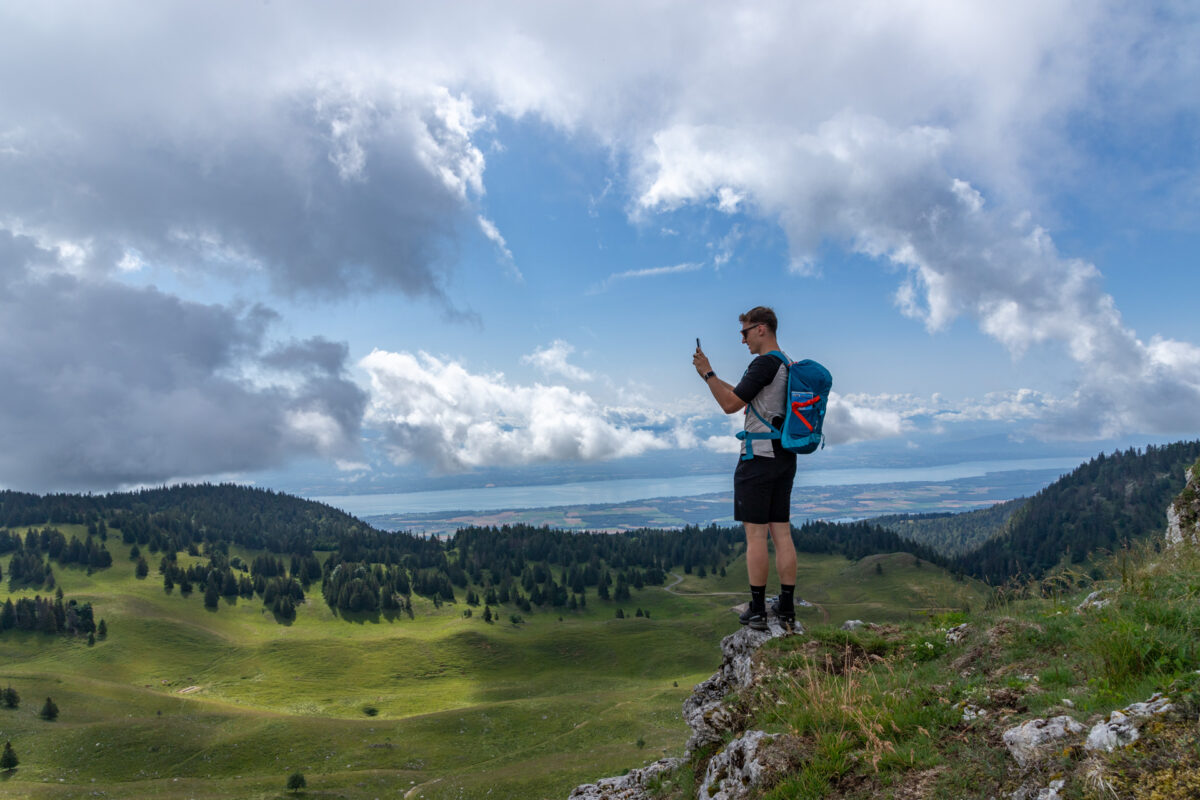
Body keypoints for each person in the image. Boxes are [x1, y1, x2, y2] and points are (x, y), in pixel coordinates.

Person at [692, 306, 798, 630]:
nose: (743, 340)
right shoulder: (786, 364)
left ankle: (757, 609)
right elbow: (740, 394)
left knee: (756, 535)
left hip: (757, 458)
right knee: (781, 531)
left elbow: (729, 405)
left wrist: (708, 374)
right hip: (784, 456)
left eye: (746, 332)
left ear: (762, 329)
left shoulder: (764, 363)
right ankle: (787, 607)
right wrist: (711, 376)